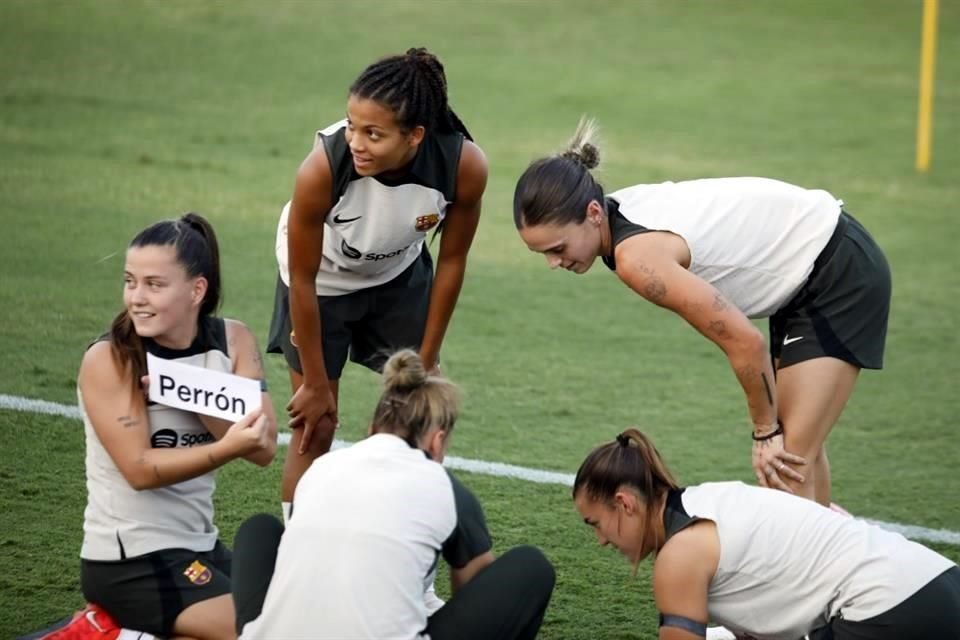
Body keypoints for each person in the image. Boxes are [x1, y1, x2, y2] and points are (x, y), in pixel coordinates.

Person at [513, 119, 891, 506]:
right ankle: (827, 548)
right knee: (799, 455)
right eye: (542, 252)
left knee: (784, 466)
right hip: (808, 273)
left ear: (593, 213)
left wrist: (764, 431)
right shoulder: (618, 215)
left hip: (836, 274)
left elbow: (744, 341)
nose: (552, 263)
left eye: (557, 248)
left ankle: (824, 556)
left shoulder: (637, 259)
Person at [267, 47, 488, 522]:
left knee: (422, 413)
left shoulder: (463, 166)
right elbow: (301, 279)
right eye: (351, 126)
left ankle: (409, 546)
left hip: (396, 279)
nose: (356, 142)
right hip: (320, 285)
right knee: (317, 426)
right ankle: (299, 554)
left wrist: (426, 360)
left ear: (415, 136)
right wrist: (316, 383)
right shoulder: (322, 168)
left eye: (373, 133)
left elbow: (451, 261)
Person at [231, 350, 555, 640]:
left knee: (259, 528)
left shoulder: (320, 469)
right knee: (532, 567)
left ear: (372, 428)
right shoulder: (444, 486)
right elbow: (475, 591)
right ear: (437, 441)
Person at [70, 213, 277, 640]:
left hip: (200, 548)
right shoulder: (110, 358)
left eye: (154, 285)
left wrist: (189, 394)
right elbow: (140, 469)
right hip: (131, 563)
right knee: (266, 631)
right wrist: (225, 445)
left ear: (197, 290)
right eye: (130, 281)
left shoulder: (233, 342)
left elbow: (263, 448)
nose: (137, 298)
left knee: (298, 605)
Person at [573, 429, 960, 639]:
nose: (602, 540)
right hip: (940, 582)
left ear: (624, 503)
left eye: (596, 524)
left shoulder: (680, 554)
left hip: (890, 610)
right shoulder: (712, 497)